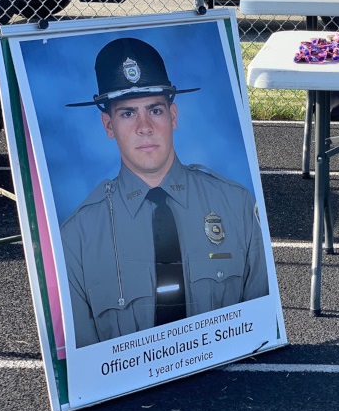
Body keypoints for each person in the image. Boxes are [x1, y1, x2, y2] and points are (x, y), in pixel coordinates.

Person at [61, 37, 269, 348]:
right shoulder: (78, 236)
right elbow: (85, 357)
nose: (144, 127)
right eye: (127, 113)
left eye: (155, 110)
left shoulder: (236, 205)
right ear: (108, 125)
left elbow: (260, 326)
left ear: (173, 116)